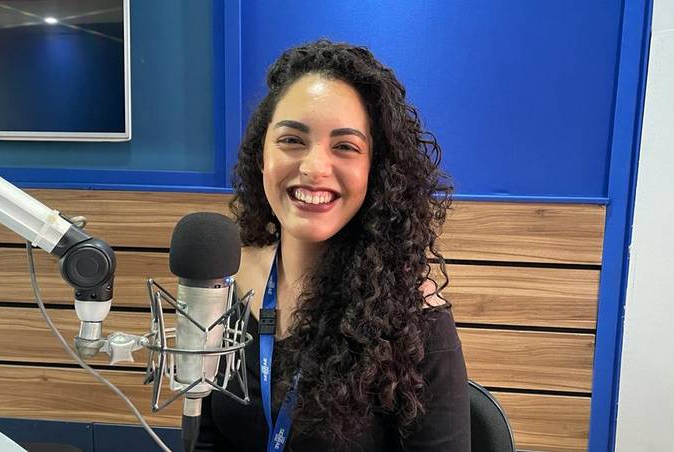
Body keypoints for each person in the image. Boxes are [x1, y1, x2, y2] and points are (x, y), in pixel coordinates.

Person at [196, 39, 470, 451]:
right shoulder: (226, 280)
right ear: (261, 155)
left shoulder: (414, 315)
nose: (313, 168)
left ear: (374, 169)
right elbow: (207, 438)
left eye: (345, 147)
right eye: (292, 140)